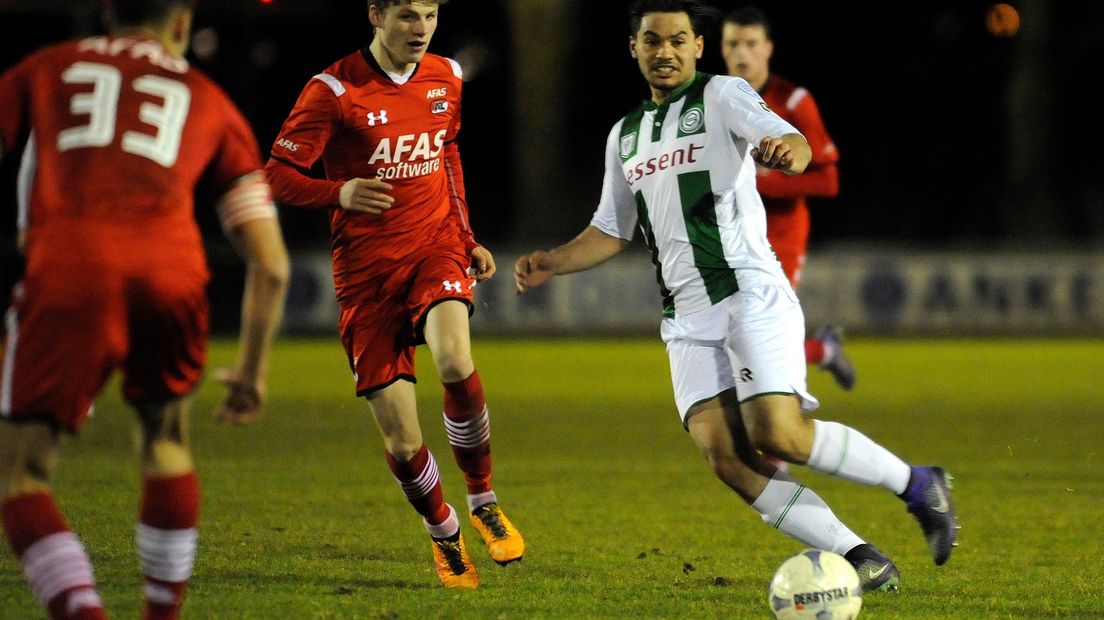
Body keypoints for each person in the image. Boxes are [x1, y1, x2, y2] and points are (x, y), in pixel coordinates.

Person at [515, 0, 958, 594]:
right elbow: (612, 229)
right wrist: (552, 261)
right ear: (634, 48)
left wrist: (791, 152)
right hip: (685, 317)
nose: (664, 51)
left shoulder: (721, 94)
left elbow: (786, 138)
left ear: (699, 46)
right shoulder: (625, 135)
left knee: (779, 435)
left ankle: (917, 484)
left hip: (747, 291)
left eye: (677, 40)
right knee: (727, 457)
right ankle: (859, 555)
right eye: (652, 41)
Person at [0, 0, 291, 617]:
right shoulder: (208, 98)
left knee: (21, 473)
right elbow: (273, 264)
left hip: (72, 261)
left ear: (108, 15)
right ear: (181, 24)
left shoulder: (46, 68)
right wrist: (251, 372)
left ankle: (84, 610)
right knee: (165, 440)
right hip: (173, 267)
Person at [264, 0, 523, 590]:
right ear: (375, 14)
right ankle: (446, 534)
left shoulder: (447, 76)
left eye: (430, 15)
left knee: (456, 359)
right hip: (366, 275)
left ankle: (483, 499)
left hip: (434, 247)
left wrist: (464, 235)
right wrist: (339, 192)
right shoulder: (332, 89)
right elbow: (275, 175)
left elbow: (448, 152)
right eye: (408, 15)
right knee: (403, 440)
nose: (422, 29)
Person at [721, 6, 855, 391]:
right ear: (721, 49)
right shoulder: (714, 102)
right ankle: (822, 350)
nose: (742, 53)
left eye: (750, 43)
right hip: (730, 233)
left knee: (763, 333)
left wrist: (760, 185)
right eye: (733, 44)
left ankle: (780, 433)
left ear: (768, 49)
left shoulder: (793, 102)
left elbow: (828, 180)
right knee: (732, 333)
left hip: (780, 234)